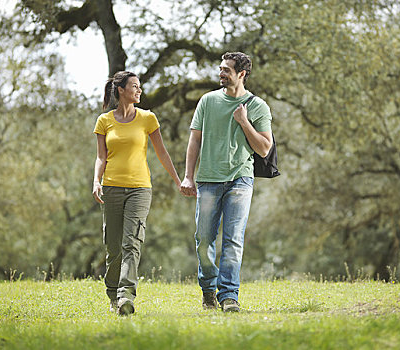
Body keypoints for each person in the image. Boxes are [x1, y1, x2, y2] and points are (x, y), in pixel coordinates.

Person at [180, 52, 273, 312]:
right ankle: (209, 289)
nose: (221, 73)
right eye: (220, 69)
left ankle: (229, 295)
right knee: (204, 238)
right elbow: (194, 140)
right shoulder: (207, 101)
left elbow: (264, 148)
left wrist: (244, 122)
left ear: (241, 74)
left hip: (240, 179)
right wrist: (188, 175)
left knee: (233, 240)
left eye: (227, 70)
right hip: (208, 179)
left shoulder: (257, 107)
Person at [92, 71, 181, 316]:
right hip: (111, 188)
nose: (139, 90)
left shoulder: (147, 118)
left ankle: (125, 296)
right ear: (121, 90)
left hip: (140, 189)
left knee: (132, 243)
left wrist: (178, 180)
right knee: (113, 247)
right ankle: (113, 292)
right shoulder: (104, 121)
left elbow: (162, 153)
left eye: (139, 86)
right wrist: (96, 181)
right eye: (134, 86)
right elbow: (101, 157)